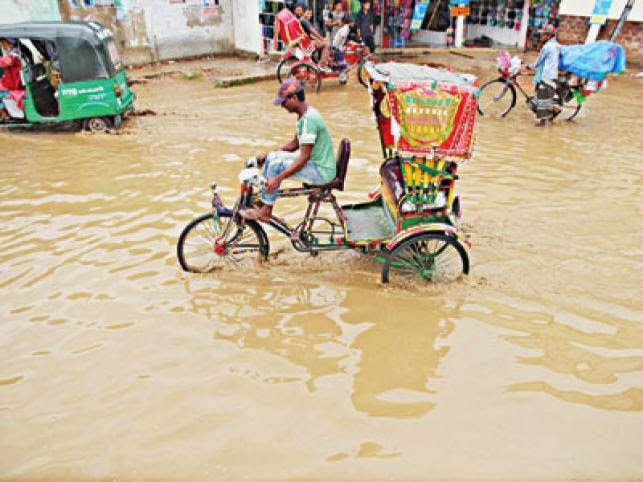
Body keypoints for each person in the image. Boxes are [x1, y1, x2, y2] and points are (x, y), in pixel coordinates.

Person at [240, 80, 337, 222]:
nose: (282, 106)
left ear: (294, 98)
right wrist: (265, 157)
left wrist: (278, 179)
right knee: (273, 158)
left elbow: (304, 157)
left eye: (284, 102)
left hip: (321, 172)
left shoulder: (308, 121)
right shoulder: (305, 116)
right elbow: (294, 144)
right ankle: (265, 200)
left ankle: (266, 210)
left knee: (276, 166)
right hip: (317, 163)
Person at [525, 24, 561, 126]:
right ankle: (553, 111)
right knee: (542, 99)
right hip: (553, 77)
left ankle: (542, 125)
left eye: (543, 35)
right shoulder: (557, 45)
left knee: (539, 102)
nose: (541, 37)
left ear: (548, 36)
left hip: (547, 78)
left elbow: (538, 63)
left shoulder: (547, 47)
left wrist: (528, 66)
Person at [294, 3, 331, 71]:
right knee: (326, 44)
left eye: (310, 14)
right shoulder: (303, 20)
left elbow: (309, 34)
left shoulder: (302, 20)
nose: (309, 15)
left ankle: (324, 62)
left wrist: (319, 39)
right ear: (303, 12)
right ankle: (321, 64)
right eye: (308, 13)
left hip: (305, 42)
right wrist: (321, 38)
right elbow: (313, 31)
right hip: (307, 44)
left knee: (324, 43)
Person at [0, 38, 25, 121]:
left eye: (2, 42)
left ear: (6, 42)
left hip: (15, 83)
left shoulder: (13, 55)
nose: (1, 45)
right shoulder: (21, 50)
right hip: (17, 81)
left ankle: (5, 115)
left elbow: (4, 62)